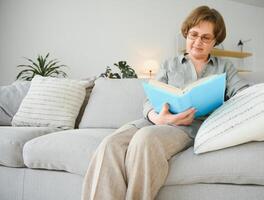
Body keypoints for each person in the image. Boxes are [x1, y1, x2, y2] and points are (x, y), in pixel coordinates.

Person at [81, 5, 249, 200]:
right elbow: (149, 100)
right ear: (186, 34)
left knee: (145, 139)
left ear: (215, 41)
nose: (197, 42)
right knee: (110, 143)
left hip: (188, 127)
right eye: (193, 35)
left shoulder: (224, 67)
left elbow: (243, 93)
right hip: (156, 120)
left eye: (206, 37)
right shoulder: (169, 64)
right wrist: (157, 117)